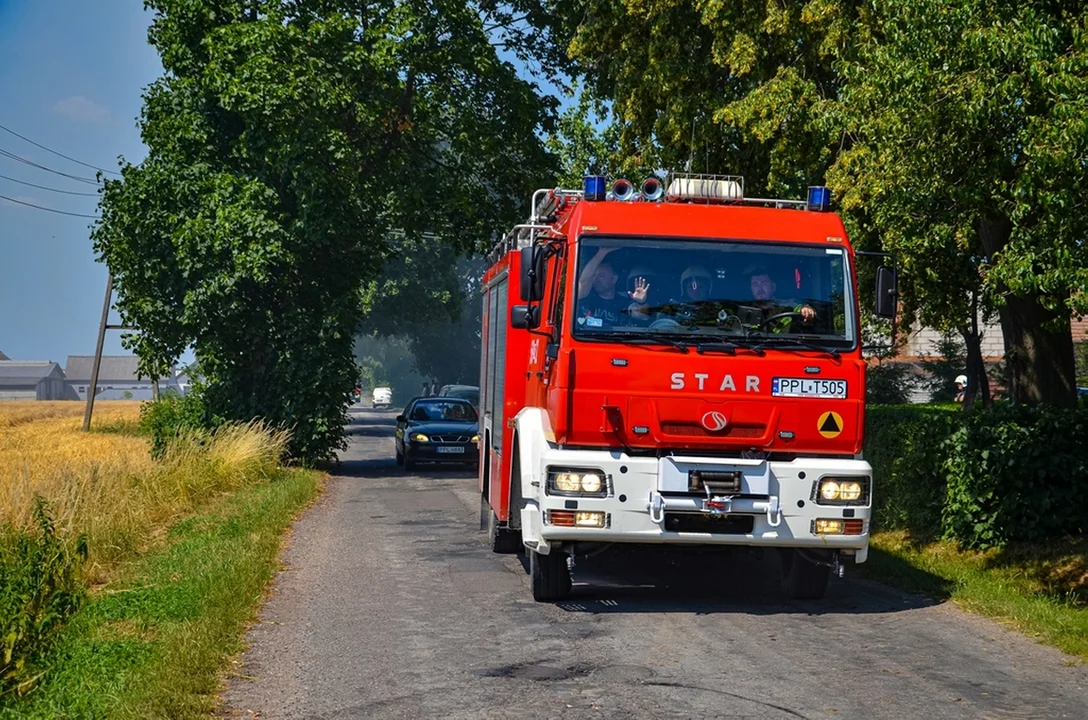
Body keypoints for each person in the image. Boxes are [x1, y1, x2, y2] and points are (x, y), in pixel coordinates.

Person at [577, 247, 647, 328]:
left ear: (614, 279)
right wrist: (601, 253)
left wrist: (641, 302)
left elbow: (642, 316)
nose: (596, 279)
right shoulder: (586, 297)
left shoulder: (623, 302)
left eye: (601, 276)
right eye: (594, 275)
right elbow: (583, 282)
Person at [744, 265, 816, 330]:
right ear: (751, 289)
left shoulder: (786, 306)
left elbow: (799, 307)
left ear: (773, 287)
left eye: (764, 283)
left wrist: (806, 309)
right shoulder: (743, 310)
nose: (760, 289)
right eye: (755, 285)